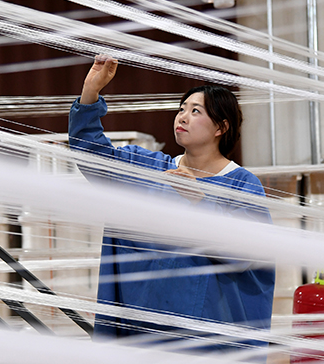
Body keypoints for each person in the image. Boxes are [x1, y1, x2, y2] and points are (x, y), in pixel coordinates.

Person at [68, 55, 274, 351]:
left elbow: (247, 254)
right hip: (141, 335)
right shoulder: (147, 168)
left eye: (195, 111)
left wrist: (200, 201)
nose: (183, 117)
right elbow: (93, 157)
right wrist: (90, 92)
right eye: (181, 109)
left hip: (205, 343)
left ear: (221, 127)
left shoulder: (241, 184)